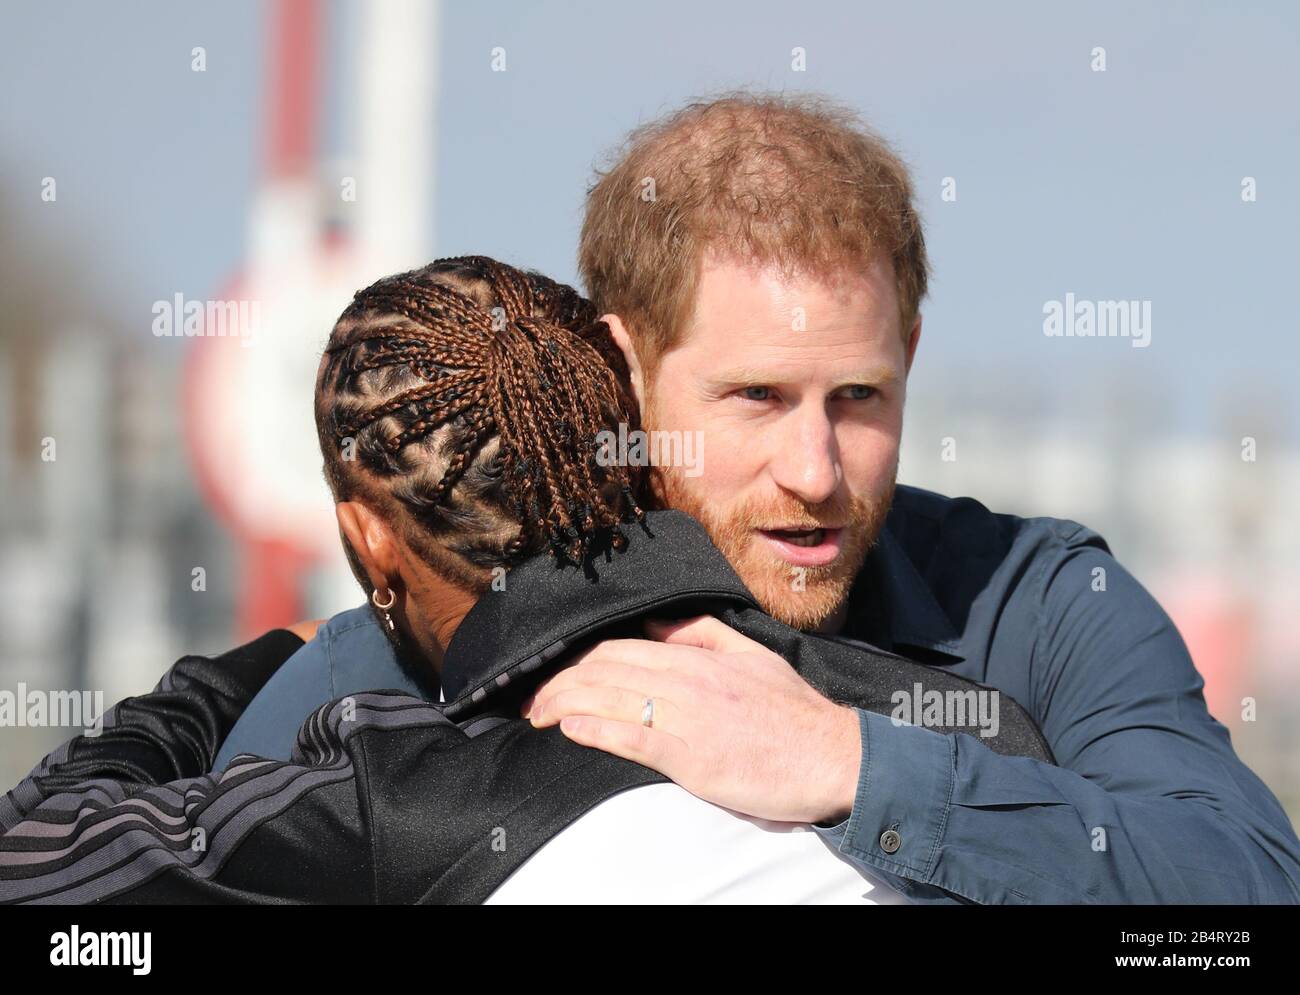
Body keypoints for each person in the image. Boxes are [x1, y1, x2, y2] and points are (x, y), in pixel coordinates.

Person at [214, 92, 1300, 904]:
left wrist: (849, 764)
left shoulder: (1044, 603)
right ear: (622, 368)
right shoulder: (434, 635)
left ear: (911, 353)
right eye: (755, 396)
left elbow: (1243, 893)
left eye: (860, 395)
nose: (816, 468)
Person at [0, 256, 1051, 905]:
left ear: (368, 534)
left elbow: (32, 859)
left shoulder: (389, 789)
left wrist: (233, 679)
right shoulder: (950, 726)